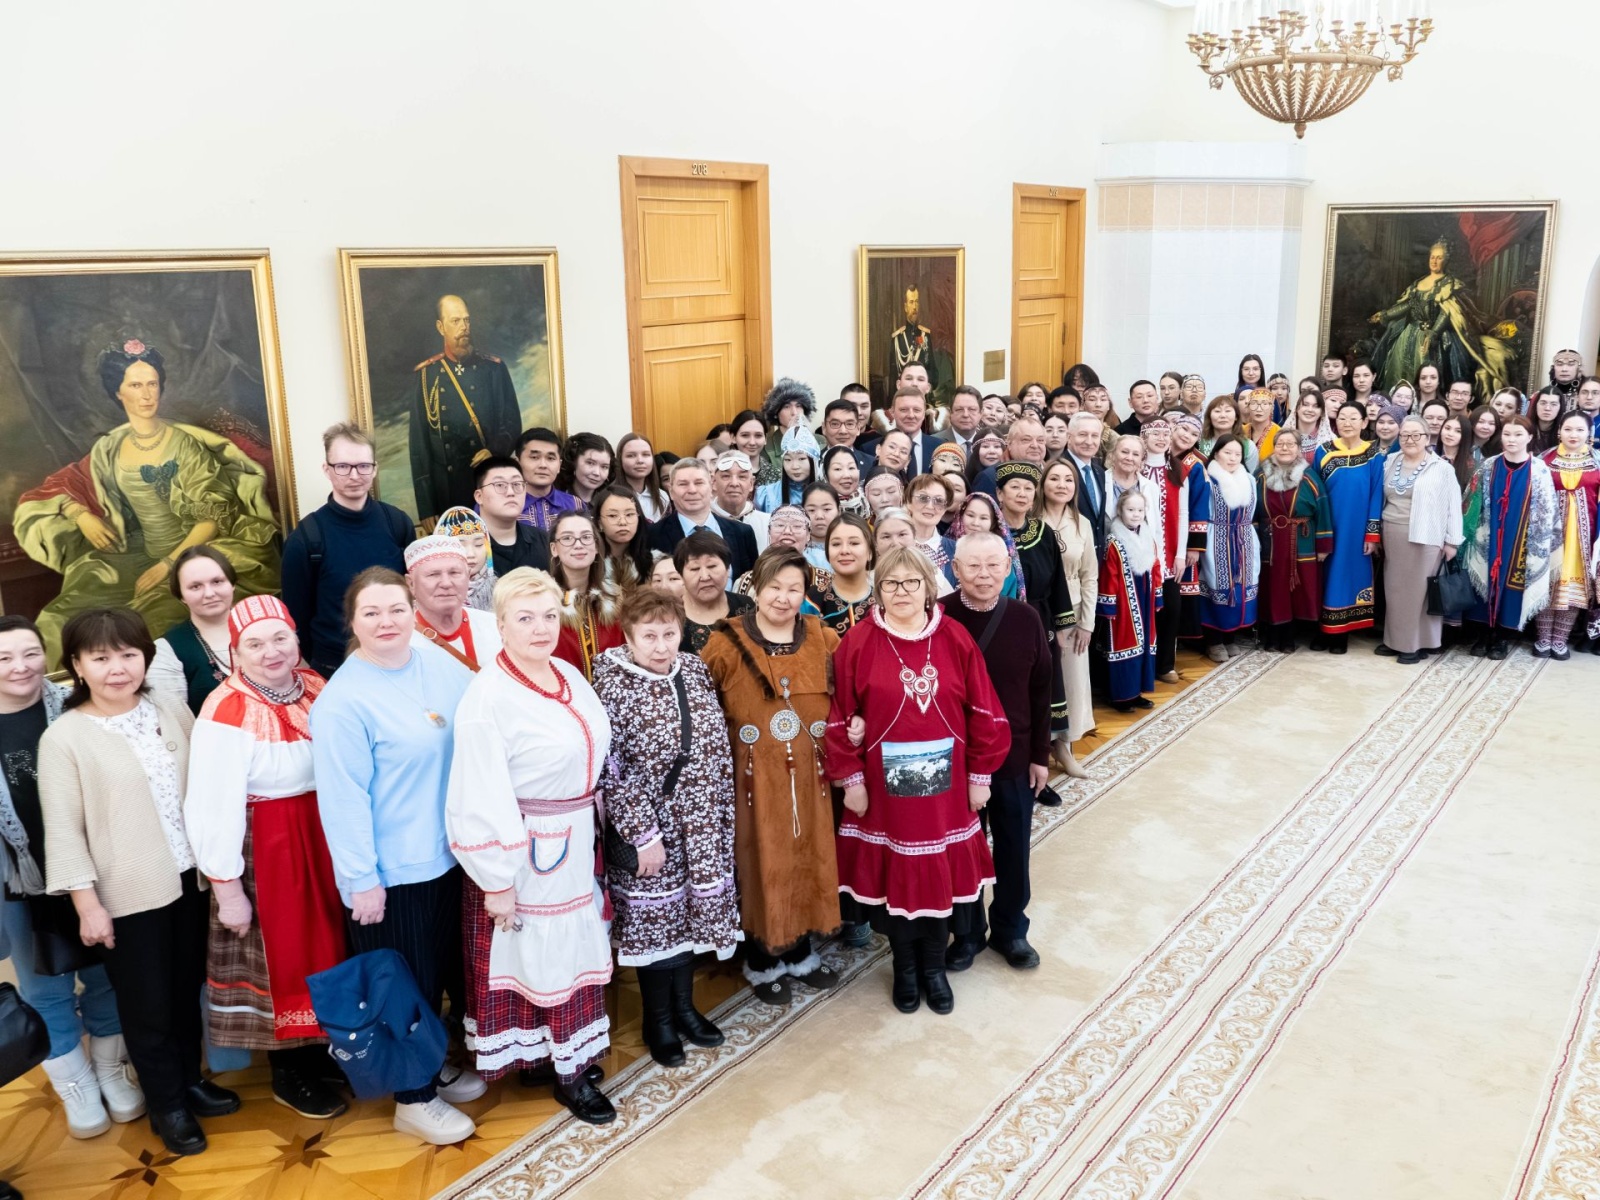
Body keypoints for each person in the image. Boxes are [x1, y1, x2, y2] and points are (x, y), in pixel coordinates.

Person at [40, 608, 238, 1157]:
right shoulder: (64, 738)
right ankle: (166, 1104)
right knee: (146, 1003)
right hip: (126, 894)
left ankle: (190, 1081)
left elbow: (208, 784)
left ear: (145, 657)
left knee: (183, 990)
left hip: (190, 880)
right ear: (77, 666)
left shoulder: (169, 708)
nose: (117, 668)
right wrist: (87, 906)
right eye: (100, 658)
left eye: (128, 653)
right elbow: (63, 831)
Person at [309, 568, 479, 1145]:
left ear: (414, 612)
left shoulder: (432, 660)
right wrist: (362, 879)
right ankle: (413, 1098)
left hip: (448, 856)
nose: (387, 623)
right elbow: (343, 800)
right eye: (372, 614)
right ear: (352, 624)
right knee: (405, 988)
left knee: (440, 976)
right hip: (390, 872)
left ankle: (429, 1064)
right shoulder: (343, 700)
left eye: (396, 610)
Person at [444, 568, 617, 1124]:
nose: (541, 628)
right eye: (525, 618)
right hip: (528, 851)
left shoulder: (566, 672)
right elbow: (478, 794)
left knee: (569, 951)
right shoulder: (486, 699)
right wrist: (496, 879)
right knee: (542, 954)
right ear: (501, 624)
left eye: (548, 616)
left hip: (575, 835)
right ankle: (568, 1075)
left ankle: (561, 1054)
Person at [824, 545, 1008, 1017]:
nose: (902, 592)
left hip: (947, 792)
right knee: (896, 886)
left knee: (939, 883)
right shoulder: (858, 643)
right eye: (890, 583)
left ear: (929, 586)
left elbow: (984, 709)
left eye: (911, 582)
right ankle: (904, 968)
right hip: (884, 794)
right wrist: (851, 779)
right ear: (878, 589)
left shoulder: (954, 637)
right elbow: (841, 715)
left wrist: (981, 773)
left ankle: (933, 968)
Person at [15, 341, 280, 667]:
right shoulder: (110, 447)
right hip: (136, 556)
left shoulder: (184, 445)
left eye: (152, 384)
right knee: (59, 620)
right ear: (118, 393)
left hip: (191, 556)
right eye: (136, 385)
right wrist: (80, 514)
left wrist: (168, 565)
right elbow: (68, 485)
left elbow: (210, 519)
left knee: (147, 625)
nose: (146, 394)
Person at [183, 596, 347, 1119]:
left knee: (330, 947)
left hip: (326, 835)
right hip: (271, 845)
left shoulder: (318, 686)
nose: (271, 651)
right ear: (236, 651)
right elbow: (210, 802)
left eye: (280, 638)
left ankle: (324, 1051)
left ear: (297, 639)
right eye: (254, 643)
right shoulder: (226, 707)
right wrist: (228, 888)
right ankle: (289, 1072)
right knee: (287, 956)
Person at [0, 615, 142, 1140]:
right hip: (19, 880)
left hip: (94, 863)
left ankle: (109, 1067)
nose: (21, 667)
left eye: (30, 653)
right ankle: (75, 1082)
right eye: (4, 658)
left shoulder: (75, 706)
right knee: (44, 984)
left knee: (107, 970)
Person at [592, 586, 739, 1067]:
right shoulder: (611, 682)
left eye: (669, 633)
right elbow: (611, 768)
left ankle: (685, 1009)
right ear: (628, 636)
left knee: (689, 924)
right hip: (652, 832)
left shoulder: (693, 668)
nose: (661, 645)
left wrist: (718, 817)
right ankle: (659, 1021)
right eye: (648, 635)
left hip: (700, 827)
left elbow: (714, 742)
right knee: (657, 930)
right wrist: (642, 835)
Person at [699, 548, 842, 1005]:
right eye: (774, 588)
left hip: (813, 777)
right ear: (755, 589)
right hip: (752, 781)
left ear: (805, 594)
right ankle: (762, 959)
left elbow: (849, 695)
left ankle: (801, 951)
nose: (783, 598)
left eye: (793, 589)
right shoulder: (725, 642)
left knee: (810, 853)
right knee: (761, 857)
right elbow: (704, 712)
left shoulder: (823, 637)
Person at [943, 535, 1052, 971]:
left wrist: (1040, 755)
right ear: (955, 569)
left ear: (1008, 568)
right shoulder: (939, 616)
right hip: (954, 759)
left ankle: (1011, 930)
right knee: (963, 850)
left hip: (1013, 756)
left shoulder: (1026, 618)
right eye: (973, 566)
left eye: (993, 565)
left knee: (1012, 846)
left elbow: (1043, 689)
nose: (983, 575)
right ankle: (966, 934)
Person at [281, 423, 412, 678]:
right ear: (327, 469)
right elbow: (296, 618)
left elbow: (411, 596)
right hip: (336, 668)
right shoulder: (306, 539)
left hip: (397, 659)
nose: (354, 475)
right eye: (343, 466)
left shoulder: (398, 523)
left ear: (375, 469)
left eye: (363, 466)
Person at [405, 296, 522, 522]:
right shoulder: (426, 375)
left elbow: (512, 423)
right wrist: (427, 507)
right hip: (446, 491)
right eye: (456, 321)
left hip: (488, 483)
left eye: (466, 320)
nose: (464, 327)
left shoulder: (493, 369)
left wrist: (494, 450)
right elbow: (418, 444)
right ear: (441, 327)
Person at [1367, 238, 1514, 397]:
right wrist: (1385, 315)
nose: (1434, 261)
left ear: (1446, 260)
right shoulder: (1418, 283)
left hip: (1439, 336)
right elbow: (1408, 305)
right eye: (1432, 257)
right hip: (1410, 334)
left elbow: (1447, 312)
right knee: (1400, 372)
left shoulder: (1450, 284)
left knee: (1442, 372)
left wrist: (1433, 333)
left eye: (1439, 257)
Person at [1464, 416, 1556, 658]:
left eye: (1517, 434)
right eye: (1507, 434)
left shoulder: (1539, 470)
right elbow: (1471, 502)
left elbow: (1547, 513)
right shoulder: (1488, 466)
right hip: (1490, 533)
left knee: (1512, 584)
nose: (1511, 439)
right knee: (1485, 579)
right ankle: (1483, 633)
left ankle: (1503, 637)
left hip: (1521, 538)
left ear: (1529, 437)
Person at [994, 463, 1072, 748]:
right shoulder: (991, 535)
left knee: (1045, 687)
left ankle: (1048, 753)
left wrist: (1062, 627)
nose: (1022, 493)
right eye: (1015, 487)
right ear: (1000, 494)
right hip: (1001, 622)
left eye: (1028, 488)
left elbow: (1058, 582)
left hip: (1041, 620)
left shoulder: (1044, 532)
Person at [1376, 417, 1464, 664]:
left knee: (1419, 592)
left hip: (1427, 536)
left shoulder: (1441, 467)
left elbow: (1453, 506)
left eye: (1416, 435)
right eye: (1404, 435)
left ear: (1427, 438)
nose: (1409, 440)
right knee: (1394, 590)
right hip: (1392, 533)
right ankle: (1394, 641)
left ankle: (1415, 645)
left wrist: (1452, 542)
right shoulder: (1390, 461)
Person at [1313, 402, 1386, 653]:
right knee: (1324, 575)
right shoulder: (1324, 451)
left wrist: (1372, 533)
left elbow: (1377, 493)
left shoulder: (1374, 455)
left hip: (1357, 529)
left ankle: (1341, 632)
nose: (1347, 422)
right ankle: (1321, 630)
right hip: (1329, 524)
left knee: (1348, 575)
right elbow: (1316, 491)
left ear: (1365, 422)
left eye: (1354, 418)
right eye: (1342, 418)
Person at [1037, 461, 1097, 757]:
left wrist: (1087, 622)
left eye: (1068, 480)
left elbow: (1090, 575)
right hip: (1038, 611)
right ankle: (1038, 747)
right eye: (1055, 478)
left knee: (1072, 682)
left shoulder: (1081, 523)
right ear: (1043, 483)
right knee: (1040, 681)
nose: (1062, 485)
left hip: (1072, 612)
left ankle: (1066, 748)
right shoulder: (1030, 519)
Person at [1254, 430, 1330, 653]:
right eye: (1281, 444)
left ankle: (1290, 636)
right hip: (1270, 542)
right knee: (1272, 588)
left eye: (1291, 444)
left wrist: (1324, 545)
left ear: (1298, 448)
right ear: (1274, 447)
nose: (1285, 448)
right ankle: (1273, 634)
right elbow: (1252, 511)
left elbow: (1323, 509)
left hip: (1302, 540)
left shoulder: (1309, 476)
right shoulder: (1261, 475)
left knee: (1299, 589)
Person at [1533, 411, 1600, 658]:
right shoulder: (1544, 460)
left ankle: (1560, 640)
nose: (1573, 435)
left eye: (1580, 430)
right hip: (1549, 536)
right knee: (1546, 584)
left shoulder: (1598, 461)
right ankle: (1542, 638)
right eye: (1568, 429)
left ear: (1589, 433)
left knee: (1573, 588)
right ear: (1559, 430)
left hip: (1584, 538)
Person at [148, 545, 236, 714]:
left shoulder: (271, 630)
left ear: (232, 584)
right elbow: (175, 723)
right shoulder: (166, 650)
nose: (209, 593)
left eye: (217, 581)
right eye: (195, 587)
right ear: (181, 595)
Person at [1097, 491, 1163, 712]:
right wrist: (1109, 605)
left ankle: (1137, 692)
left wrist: (1158, 596)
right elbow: (1110, 575)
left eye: (1140, 510)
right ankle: (1120, 696)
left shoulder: (1148, 537)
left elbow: (1155, 567)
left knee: (1144, 645)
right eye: (1130, 510)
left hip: (1145, 599)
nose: (1135, 515)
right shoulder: (1114, 541)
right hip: (1124, 604)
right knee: (1125, 644)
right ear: (1120, 511)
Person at [648, 458, 760, 580]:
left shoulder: (742, 532)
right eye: (683, 484)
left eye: (699, 483)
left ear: (711, 487)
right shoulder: (652, 535)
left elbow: (752, 583)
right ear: (671, 492)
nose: (692, 490)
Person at [407, 535, 503, 671]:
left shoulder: (496, 628)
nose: (446, 583)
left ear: (468, 575)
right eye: (433, 574)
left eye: (454, 573)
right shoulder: (401, 641)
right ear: (411, 583)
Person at [546, 511, 623, 680]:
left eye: (586, 537)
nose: (578, 545)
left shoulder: (616, 598)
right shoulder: (543, 601)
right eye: (567, 538)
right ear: (554, 548)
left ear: (596, 546)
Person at [474, 455, 554, 578]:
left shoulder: (543, 540)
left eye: (517, 484)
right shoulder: (462, 544)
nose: (510, 492)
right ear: (479, 496)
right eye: (500, 485)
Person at [676, 530, 754, 654]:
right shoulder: (669, 615)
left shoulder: (746, 606)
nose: (705, 576)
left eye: (712, 566)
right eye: (695, 569)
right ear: (681, 576)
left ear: (728, 569)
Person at [815, 513, 876, 635]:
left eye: (854, 543)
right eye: (836, 544)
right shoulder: (811, 600)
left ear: (870, 552)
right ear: (827, 553)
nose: (844, 551)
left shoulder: (883, 602)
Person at [512, 428, 580, 531]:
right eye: (534, 457)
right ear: (517, 463)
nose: (543, 465)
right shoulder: (501, 504)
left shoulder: (575, 505)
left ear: (559, 466)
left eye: (550, 458)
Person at [593, 485, 654, 590]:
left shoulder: (653, 562)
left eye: (629, 514)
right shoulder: (590, 562)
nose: (623, 522)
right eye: (612, 516)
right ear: (599, 523)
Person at [436, 505, 496, 610]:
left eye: (478, 544)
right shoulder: (432, 595)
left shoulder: (500, 591)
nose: (471, 554)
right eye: (460, 546)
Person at [1065, 414, 1109, 555]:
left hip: (1096, 556)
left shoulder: (1099, 472)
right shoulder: (1059, 469)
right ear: (1069, 437)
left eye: (1095, 436)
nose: (1089, 441)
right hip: (1070, 554)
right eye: (1082, 434)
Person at [711, 448, 771, 550]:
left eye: (742, 476)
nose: (734, 483)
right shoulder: (703, 523)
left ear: (751, 483)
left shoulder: (768, 523)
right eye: (726, 476)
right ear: (714, 482)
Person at [905, 473, 957, 587]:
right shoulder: (894, 545)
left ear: (944, 508)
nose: (930, 506)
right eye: (923, 498)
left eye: (938, 501)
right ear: (909, 502)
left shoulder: (956, 551)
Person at [616, 432, 668, 522]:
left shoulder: (662, 496)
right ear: (620, 460)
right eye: (631, 455)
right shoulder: (611, 497)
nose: (640, 460)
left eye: (645, 454)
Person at [801, 481, 840, 572]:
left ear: (839, 510)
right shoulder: (796, 549)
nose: (819, 516)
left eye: (827, 509)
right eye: (811, 510)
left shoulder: (847, 547)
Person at [822, 445, 868, 519]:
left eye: (851, 468)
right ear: (825, 475)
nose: (846, 475)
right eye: (838, 469)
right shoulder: (817, 507)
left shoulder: (870, 503)